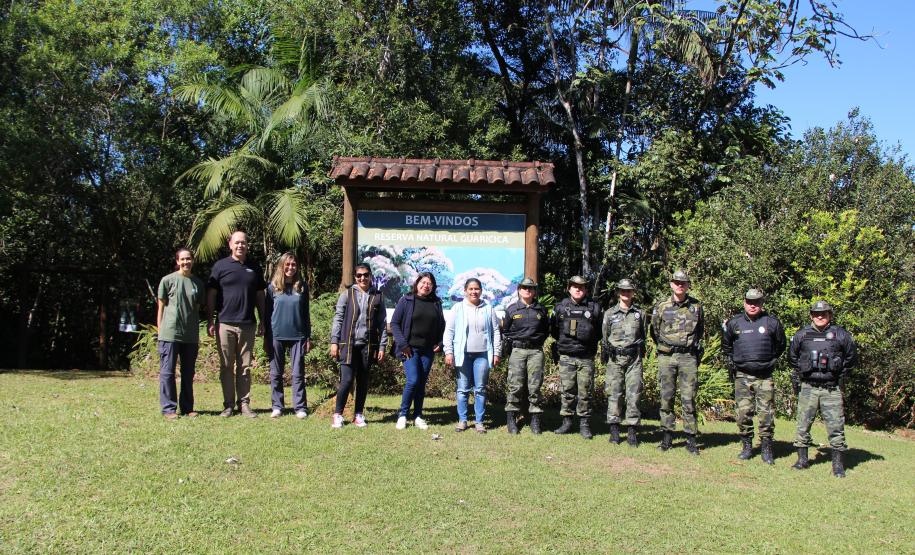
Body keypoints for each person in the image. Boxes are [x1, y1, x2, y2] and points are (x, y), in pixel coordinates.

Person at [788, 300, 858, 477]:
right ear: (811, 315)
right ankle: (802, 460)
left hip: (831, 389)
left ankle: (838, 466)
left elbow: (851, 358)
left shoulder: (840, 334)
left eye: (824, 313)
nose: (820, 316)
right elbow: (792, 357)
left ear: (830, 315)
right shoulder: (802, 334)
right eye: (816, 314)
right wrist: (802, 372)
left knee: (836, 426)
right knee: (803, 425)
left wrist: (839, 374)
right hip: (808, 387)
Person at [721, 288, 786, 464]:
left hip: (765, 376)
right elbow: (726, 346)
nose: (752, 305)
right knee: (743, 413)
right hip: (742, 375)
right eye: (749, 302)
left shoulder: (772, 323)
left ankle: (766, 448)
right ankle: (747, 446)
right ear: (744, 303)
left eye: (756, 302)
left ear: (761, 303)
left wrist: (768, 361)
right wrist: (736, 362)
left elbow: (781, 345)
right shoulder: (735, 323)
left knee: (766, 414)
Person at [207, 231, 267, 418]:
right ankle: (228, 405)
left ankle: (244, 404)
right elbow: (211, 294)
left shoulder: (254, 267)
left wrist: (263, 320)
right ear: (230, 244)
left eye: (243, 243)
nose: (240, 245)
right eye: (237, 242)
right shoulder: (220, 266)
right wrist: (210, 320)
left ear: (247, 245)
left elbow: (260, 295)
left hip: (247, 324)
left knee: (245, 366)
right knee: (226, 365)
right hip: (224, 323)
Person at [651, 269, 704, 455]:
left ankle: (691, 439)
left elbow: (700, 331)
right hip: (667, 357)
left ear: (688, 285)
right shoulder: (662, 306)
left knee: (689, 398)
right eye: (677, 282)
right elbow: (655, 330)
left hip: (688, 357)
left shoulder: (696, 306)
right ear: (671, 284)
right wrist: (666, 346)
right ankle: (667, 437)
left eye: (683, 283)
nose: (680, 285)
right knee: (666, 397)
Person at [329, 264, 387, 429]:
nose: (363, 278)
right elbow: (338, 319)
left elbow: (382, 323)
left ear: (370, 276)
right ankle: (338, 414)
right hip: (347, 345)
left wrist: (382, 346)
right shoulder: (347, 295)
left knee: (363, 381)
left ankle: (359, 415)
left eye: (366, 275)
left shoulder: (378, 296)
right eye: (359, 275)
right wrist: (334, 342)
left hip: (367, 346)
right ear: (355, 277)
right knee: (346, 380)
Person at [444, 278, 502, 433]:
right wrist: (448, 351)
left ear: (481, 290)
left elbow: (496, 331)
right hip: (462, 355)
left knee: (480, 389)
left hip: (483, 355)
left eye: (476, 289)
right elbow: (449, 331)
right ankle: (462, 420)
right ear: (465, 291)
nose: (474, 292)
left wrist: (496, 352)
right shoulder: (458, 308)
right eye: (470, 289)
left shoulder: (488, 308)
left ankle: (479, 422)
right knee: (462, 389)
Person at [390, 272, 446, 430]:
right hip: (409, 349)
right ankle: (403, 414)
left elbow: (441, 325)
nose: (426, 285)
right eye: (423, 282)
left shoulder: (436, 303)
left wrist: (440, 343)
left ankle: (418, 416)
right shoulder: (406, 300)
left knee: (421, 383)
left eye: (429, 283)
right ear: (417, 283)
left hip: (427, 350)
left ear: (433, 287)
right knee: (413, 380)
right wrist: (403, 344)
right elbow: (394, 323)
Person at [550, 275, 602, 439]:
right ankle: (566, 422)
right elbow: (554, 330)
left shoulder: (594, 308)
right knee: (567, 391)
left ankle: (584, 424)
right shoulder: (560, 308)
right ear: (569, 289)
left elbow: (599, 332)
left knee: (585, 392)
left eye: (581, 287)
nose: (578, 289)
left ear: (586, 290)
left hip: (586, 357)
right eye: (575, 286)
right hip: (567, 356)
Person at [156, 248, 205, 420]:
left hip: (190, 336)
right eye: (182, 259)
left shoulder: (198, 283)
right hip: (169, 334)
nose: (186, 262)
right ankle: (169, 408)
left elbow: (195, 309)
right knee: (167, 373)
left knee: (188, 373)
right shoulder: (167, 280)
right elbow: (161, 307)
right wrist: (160, 330)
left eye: (188, 259)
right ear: (177, 261)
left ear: (193, 260)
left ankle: (187, 407)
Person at [265, 252, 312, 420]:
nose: (290, 267)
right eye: (287, 264)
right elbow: (267, 314)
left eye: (293, 264)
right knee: (275, 373)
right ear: (282, 266)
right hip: (276, 335)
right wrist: (266, 337)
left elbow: (306, 314)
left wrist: (308, 337)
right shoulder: (272, 287)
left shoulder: (302, 287)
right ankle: (277, 406)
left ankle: (300, 407)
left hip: (298, 336)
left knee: (298, 373)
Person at [600, 278, 647, 446]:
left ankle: (632, 430)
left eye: (629, 290)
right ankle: (614, 430)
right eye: (623, 290)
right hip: (615, 359)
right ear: (618, 293)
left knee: (634, 394)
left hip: (634, 359)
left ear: (633, 293)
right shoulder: (609, 313)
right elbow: (605, 337)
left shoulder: (640, 314)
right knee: (614, 393)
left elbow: (643, 335)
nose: (625, 293)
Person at [501, 277, 550, 435]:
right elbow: (506, 331)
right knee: (515, 385)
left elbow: (546, 330)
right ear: (519, 290)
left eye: (531, 288)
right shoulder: (512, 309)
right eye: (524, 287)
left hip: (535, 351)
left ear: (534, 291)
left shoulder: (541, 310)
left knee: (535, 386)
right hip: (517, 351)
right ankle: (511, 418)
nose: (527, 290)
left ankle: (535, 419)